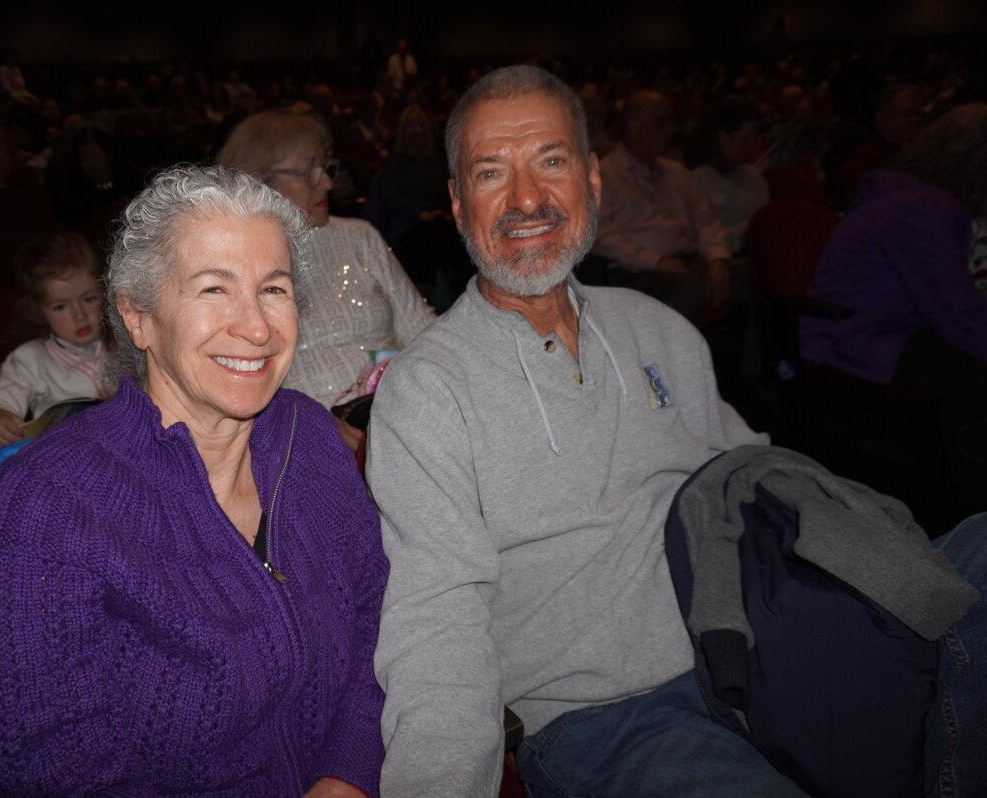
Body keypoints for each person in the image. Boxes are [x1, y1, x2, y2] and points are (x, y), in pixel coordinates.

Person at [367, 64, 987, 798]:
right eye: (491, 172)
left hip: (759, 641)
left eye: (552, 162)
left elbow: (749, 477)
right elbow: (435, 623)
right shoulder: (427, 391)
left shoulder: (660, 329)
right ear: (457, 203)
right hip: (613, 717)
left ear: (592, 180)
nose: (527, 199)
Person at [0, 165, 387, 796]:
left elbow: (376, 616)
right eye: (214, 289)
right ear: (138, 317)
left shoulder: (310, 437)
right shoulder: (47, 505)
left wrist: (346, 774)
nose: (258, 328)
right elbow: (45, 772)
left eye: (273, 289)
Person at [800, 103, 987, 518]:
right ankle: (975, 511)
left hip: (873, 328)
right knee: (970, 368)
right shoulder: (920, 208)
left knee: (964, 356)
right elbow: (955, 311)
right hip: (848, 338)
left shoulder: (918, 198)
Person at [216, 110, 434, 449]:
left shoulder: (359, 237)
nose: (327, 183)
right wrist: (312, 425)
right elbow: (226, 387)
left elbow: (424, 332)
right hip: (302, 443)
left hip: (403, 415)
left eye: (325, 167)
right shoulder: (230, 266)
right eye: (307, 171)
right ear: (259, 181)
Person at [593, 89, 732, 321]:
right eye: (660, 122)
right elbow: (600, 236)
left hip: (690, 261)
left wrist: (718, 258)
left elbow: (705, 220)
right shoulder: (605, 175)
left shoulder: (677, 172)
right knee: (687, 287)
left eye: (669, 121)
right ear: (634, 126)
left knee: (745, 275)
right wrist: (655, 261)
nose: (669, 130)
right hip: (637, 272)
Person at [0, 232, 111, 448]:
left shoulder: (127, 341)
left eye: (89, 299)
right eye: (60, 307)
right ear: (39, 311)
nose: (79, 316)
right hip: (65, 458)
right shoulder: (30, 359)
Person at [685, 99, 769, 255]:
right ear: (723, 138)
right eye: (745, 139)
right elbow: (703, 238)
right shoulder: (696, 181)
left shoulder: (754, 176)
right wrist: (748, 230)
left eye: (753, 138)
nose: (750, 145)